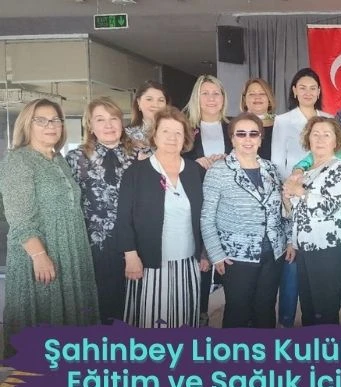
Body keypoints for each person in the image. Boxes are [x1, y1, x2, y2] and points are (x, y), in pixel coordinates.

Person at [0, 99, 99, 357]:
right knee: (44, 317)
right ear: (27, 124)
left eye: (55, 120)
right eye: (41, 120)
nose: (50, 126)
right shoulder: (18, 161)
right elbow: (20, 217)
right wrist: (39, 255)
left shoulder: (58, 159)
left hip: (70, 248)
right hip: (40, 252)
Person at [118, 107, 207, 328]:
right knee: (153, 322)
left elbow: (204, 216)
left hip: (188, 262)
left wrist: (204, 253)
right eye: (165, 131)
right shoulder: (136, 173)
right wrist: (130, 256)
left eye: (178, 132)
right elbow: (123, 219)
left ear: (185, 138)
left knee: (185, 320)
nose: (172, 137)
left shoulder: (195, 171)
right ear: (155, 135)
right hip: (150, 263)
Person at [201, 113, 292, 328]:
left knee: (266, 308)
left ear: (261, 139)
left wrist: (289, 240)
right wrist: (216, 254)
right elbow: (207, 217)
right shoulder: (218, 171)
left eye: (253, 134)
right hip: (236, 256)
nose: (248, 139)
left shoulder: (271, 169)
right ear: (232, 139)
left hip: (273, 253)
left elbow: (282, 208)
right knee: (238, 310)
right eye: (241, 134)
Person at [66, 97, 142, 325]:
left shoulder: (140, 156)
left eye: (114, 119)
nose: (108, 125)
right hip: (94, 246)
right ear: (90, 125)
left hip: (135, 244)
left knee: (135, 308)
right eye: (100, 120)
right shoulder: (76, 158)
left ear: (122, 123)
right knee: (100, 308)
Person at [271, 67, 331, 328]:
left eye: (313, 88)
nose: (308, 92)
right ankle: (286, 319)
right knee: (292, 258)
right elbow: (277, 161)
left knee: (316, 260)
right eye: (302, 87)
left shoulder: (329, 119)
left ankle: (314, 321)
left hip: (321, 199)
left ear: (319, 92)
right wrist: (289, 191)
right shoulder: (283, 120)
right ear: (294, 91)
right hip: (291, 198)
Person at [283, 117, 341, 326]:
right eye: (315, 134)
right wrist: (287, 199)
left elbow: (329, 206)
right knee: (309, 307)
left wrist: (299, 192)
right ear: (308, 139)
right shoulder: (306, 172)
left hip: (327, 247)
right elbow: (295, 213)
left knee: (325, 308)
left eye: (326, 135)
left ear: (336, 141)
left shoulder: (339, 167)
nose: (320, 139)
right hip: (305, 247)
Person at [182, 74, 231, 326]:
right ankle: (199, 316)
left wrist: (229, 161)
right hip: (195, 204)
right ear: (196, 97)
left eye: (216, 93)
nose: (211, 98)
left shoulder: (233, 127)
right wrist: (195, 164)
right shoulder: (185, 128)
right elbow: (171, 164)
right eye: (205, 93)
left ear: (223, 98)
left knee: (229, 263)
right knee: (199, 264)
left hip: (228, 206)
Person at [126, 80, 169, 147]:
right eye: (149, 99)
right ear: (138, 102)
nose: (155, 105)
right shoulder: (126, 135)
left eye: (161, 100)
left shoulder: (176, 132)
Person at [240, 78, 276, 160]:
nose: (257, 97)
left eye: (262, 93)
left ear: (269, 98)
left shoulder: (280, 124)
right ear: (244, 99)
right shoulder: (235, 126)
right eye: (252, 94)